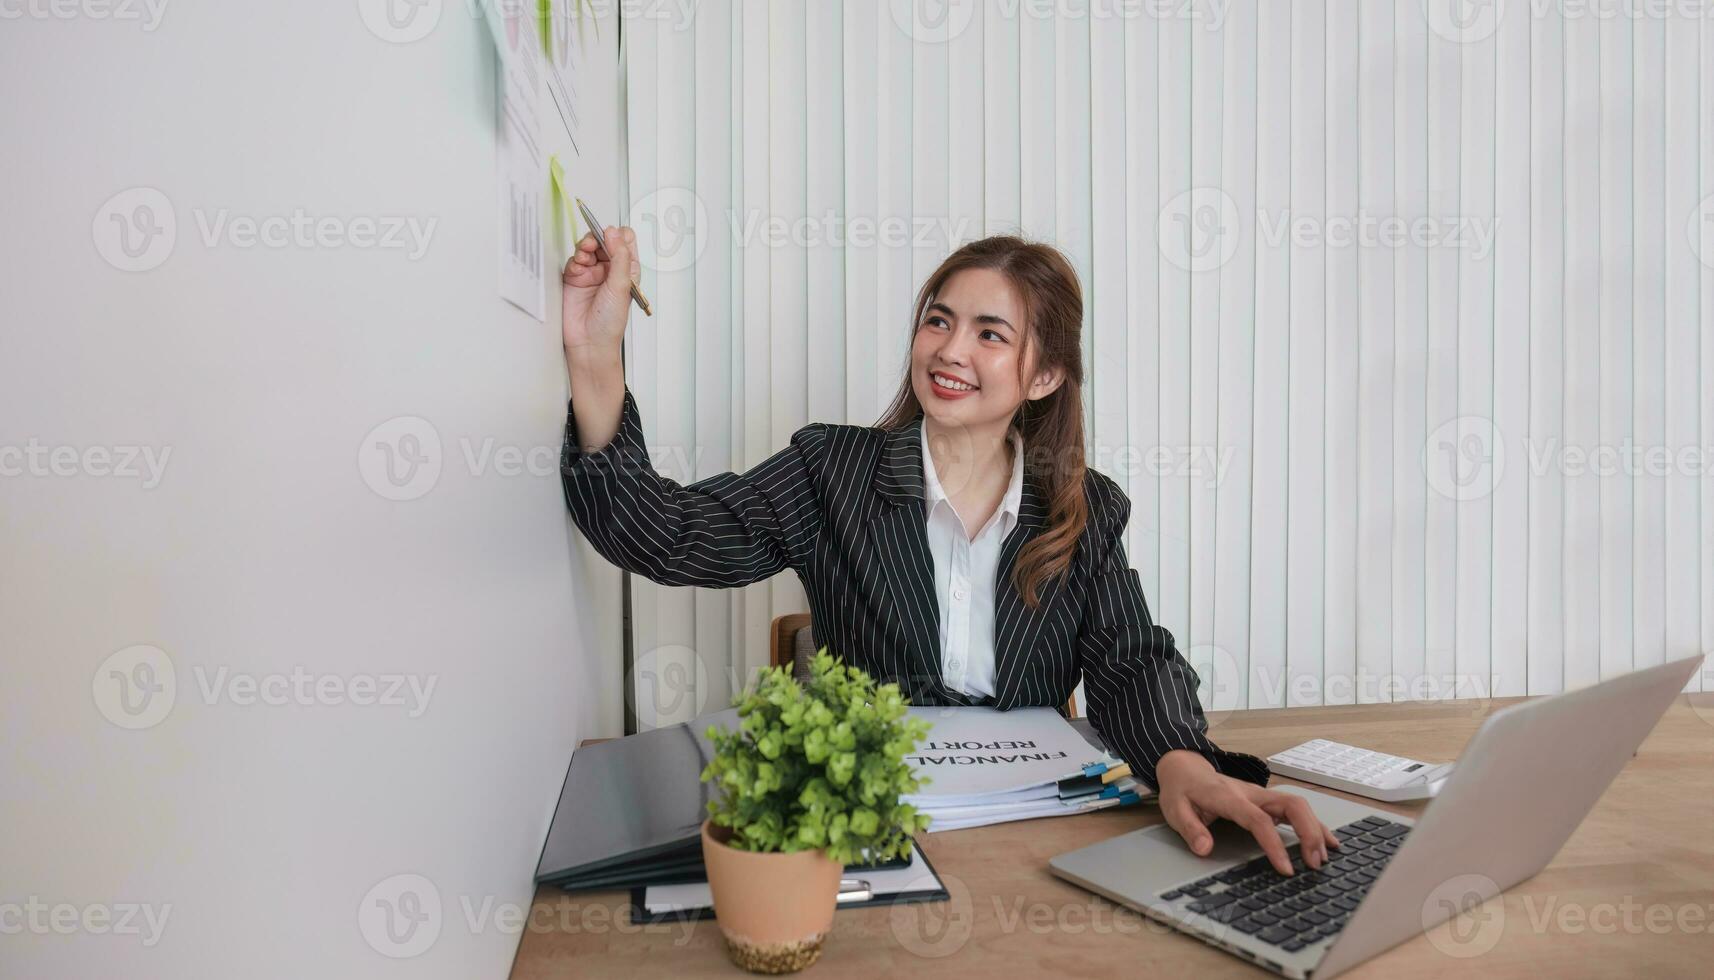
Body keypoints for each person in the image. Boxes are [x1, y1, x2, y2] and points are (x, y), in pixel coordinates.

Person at [558, 226, 1337, 876]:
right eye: (938, 320)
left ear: (1045, 375)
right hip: (870, 831)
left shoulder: (1083, 508)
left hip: (1031, 839)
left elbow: (1132, 659)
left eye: (989, 333)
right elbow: (667, 534)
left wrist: (1184, 765)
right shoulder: (833, 471)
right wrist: (596, 359)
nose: (948, 349)